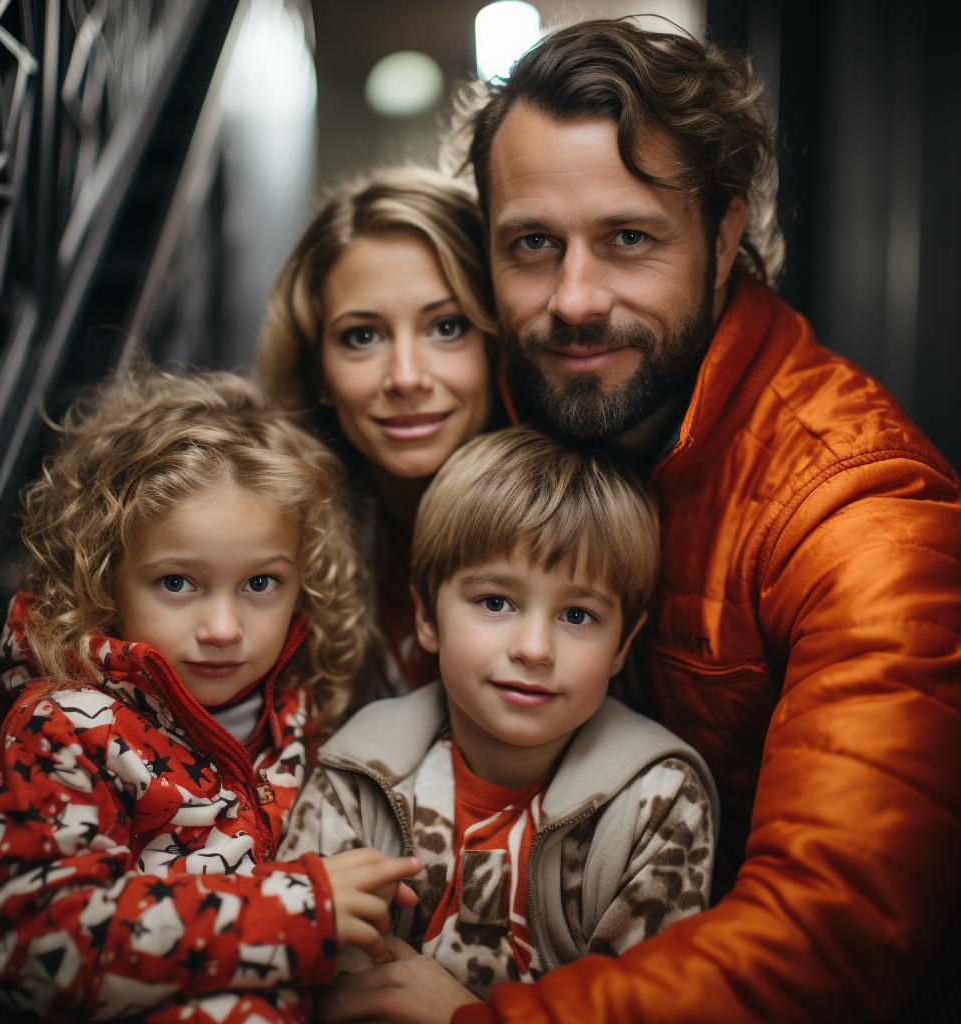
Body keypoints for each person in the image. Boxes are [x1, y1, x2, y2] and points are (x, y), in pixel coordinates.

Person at [317, 19, 961, 1024]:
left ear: (722, 241)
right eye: (532, 245)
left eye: (628, 239)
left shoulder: (858, 510)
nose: (574, 300)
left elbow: (839, 928)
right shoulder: (506, 415)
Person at [0, 367, 422, 1024]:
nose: (224, 630)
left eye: (261, 583)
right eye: (177, 583)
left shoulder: (302, 714)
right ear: (105, 574)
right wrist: (301, 910)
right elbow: (28, 939)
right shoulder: (65, 729)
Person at [281, 426, 718, 1004]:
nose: (534, 648)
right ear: (427, 616)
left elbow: (646, 1012)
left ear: (622, 645)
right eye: (495, 602)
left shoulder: (657, 803)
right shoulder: (355, 774)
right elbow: (301, 981)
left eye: (579, 615)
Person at [258, 168, 502, 694]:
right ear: (317, 368)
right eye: (362, 336)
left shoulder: (587, 512)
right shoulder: (272, 539)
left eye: (447, 327)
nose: (406, 378)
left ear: (497, 340)